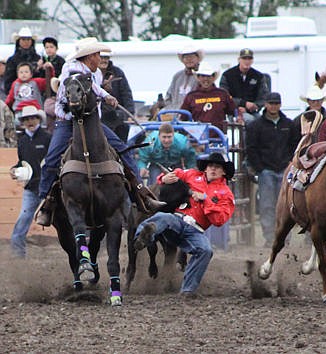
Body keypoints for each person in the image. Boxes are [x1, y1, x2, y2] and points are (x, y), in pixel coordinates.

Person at [35, 37, 165, 227]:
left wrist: (106, 95)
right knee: (52, 158)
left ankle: (141, 193)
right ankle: (45, 201)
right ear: (89, 56)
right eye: (97, 54)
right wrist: (106, 96)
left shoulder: (95, 74)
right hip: (68, 122)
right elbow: (72, 100)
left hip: (91, 122)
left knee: (122, 149)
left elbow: (94, 88)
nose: (100, 58)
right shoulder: (71, 70)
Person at [133, 152, 235, 297]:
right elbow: (175, 175)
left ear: (223, 171)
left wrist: (205, 199)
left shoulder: (226, 194)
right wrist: (164, 178)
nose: (213, 169)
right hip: (178, 220)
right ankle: (142, 238)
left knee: (205, 250)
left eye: (217, 167)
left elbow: (219, 220)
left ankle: (188, 290)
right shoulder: (192, 175)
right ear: (205, 168)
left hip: (195, 230)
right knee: (163, 217)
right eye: (210, 166)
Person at [245, 92, 297, 247]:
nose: (273, 106)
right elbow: (251, 148)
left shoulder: (288, 124)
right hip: (266, 170)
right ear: (266, 104)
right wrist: (260, 168)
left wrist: (289, 164)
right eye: (271, 103)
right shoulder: (256, 126)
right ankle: (269, 237)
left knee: (286, 205)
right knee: (267, 205)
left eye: (276, 103)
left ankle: (284, 237)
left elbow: (294, 146)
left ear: (280, 105)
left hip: (284, 169)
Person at [9, 106, 51, 258]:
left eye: (32, 118)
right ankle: (17, 256)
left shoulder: (47, 138)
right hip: (31, 188)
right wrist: (15, 170)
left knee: (64, 220)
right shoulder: (23, 141)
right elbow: (22, 162)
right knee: (23, 220)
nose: (30, 121)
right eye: (27, 119)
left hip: (48, 190)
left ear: (38, 119)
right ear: (23, 122)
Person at [181, 61, 236, 134]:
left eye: (208, 76)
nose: (206, 79)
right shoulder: (191, 96)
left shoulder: (222, 94)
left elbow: (233, 111)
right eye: (203, 76)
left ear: (213, 77)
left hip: (219, 137)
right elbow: (183, 118)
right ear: (198, 77)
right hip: (198, 138)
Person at [220, 48, 269, 124]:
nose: (247, 61)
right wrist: (243, 104)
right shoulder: (228, 75)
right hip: (232, 112)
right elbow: (224, 96)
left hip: (253, 112)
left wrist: (255, 106)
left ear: (252, 60)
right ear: (239, 59)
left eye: (249, 58)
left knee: (264, 123)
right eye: (244, 58)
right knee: (250, 121)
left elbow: (264, 97)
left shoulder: (258, 76)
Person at [98, 51, 134, 142]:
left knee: (121, 142)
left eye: (106, 58)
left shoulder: (117, 72)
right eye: (101, 57)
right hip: (98, 115)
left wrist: (130, 113)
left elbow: (126, 93)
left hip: (117, 114)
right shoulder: (90, 73)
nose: (104, 60)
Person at [4, 27, 44, 94]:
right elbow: (8, 83)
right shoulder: (12, 60)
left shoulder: (38, 58)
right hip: (17, 95)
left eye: (28, 39)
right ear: (18, 41)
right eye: (23, 39)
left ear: (32, 41)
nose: (26, 42)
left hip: (36, 95)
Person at [163, 45, 204, 110]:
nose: (189, 60)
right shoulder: (177, 76)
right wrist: (170, 109)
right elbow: (168, 97)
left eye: (192, 57)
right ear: (182, 60)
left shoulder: (203, 75)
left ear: (198, 58)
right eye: (186, 57)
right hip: (175, 115)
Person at [41, 37, 66, 133]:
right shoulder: (42, 61)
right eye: (46, 47)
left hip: (57, 91)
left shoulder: (60, 61)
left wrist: (52, 69)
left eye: (51, 47)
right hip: (46, 93)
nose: (49, 49)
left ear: (56, 48)